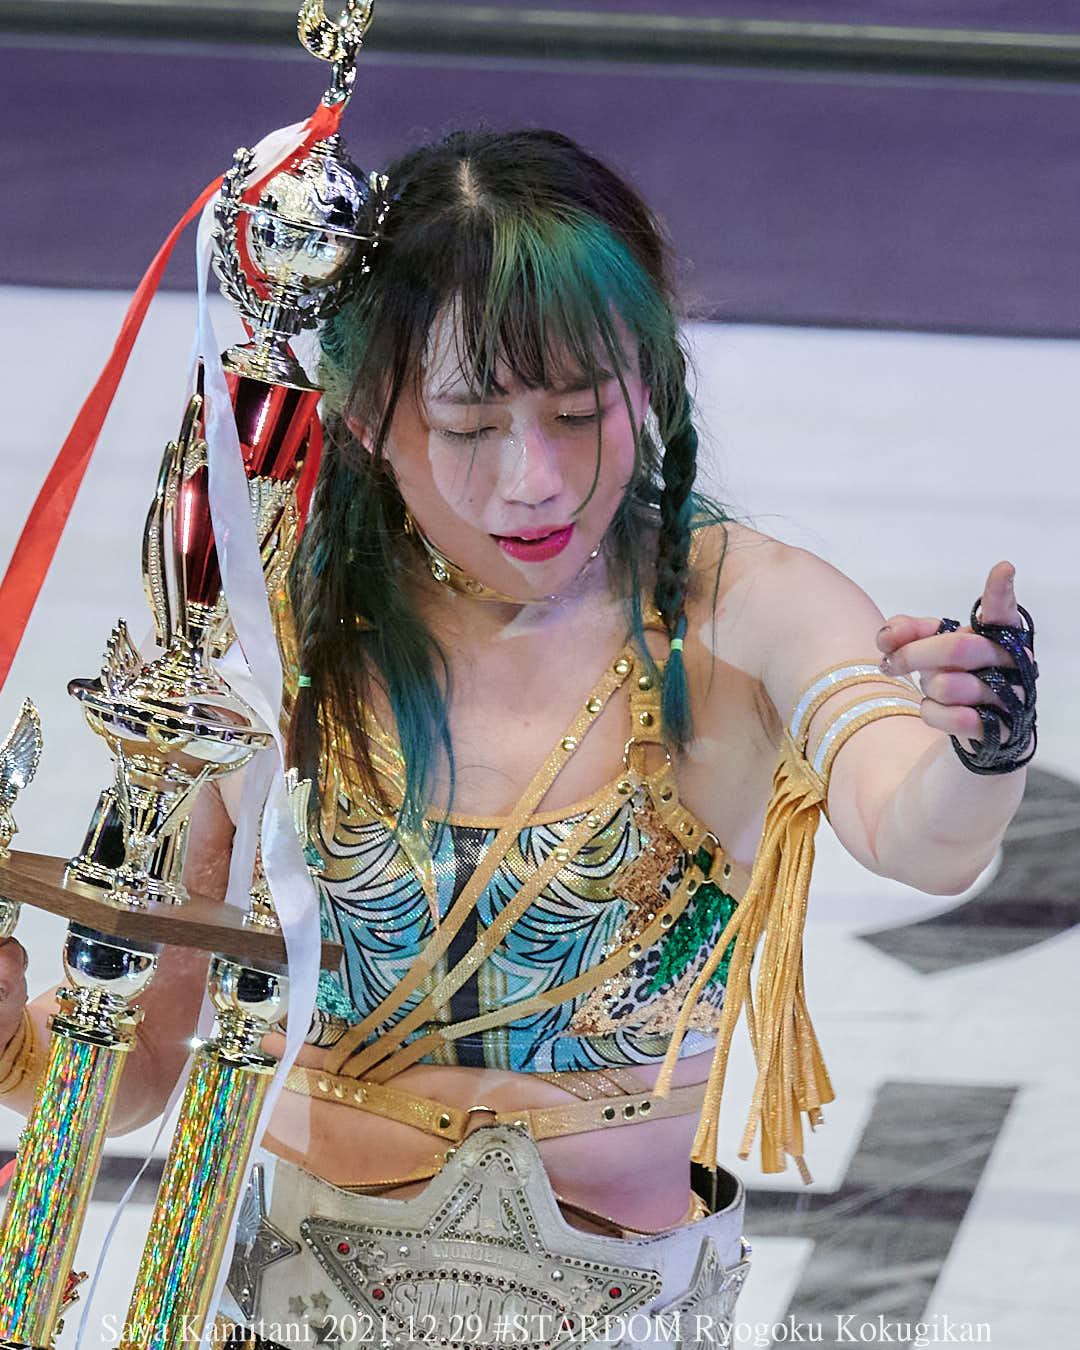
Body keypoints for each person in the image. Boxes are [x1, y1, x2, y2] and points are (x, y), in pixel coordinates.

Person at [0, 128, 1035, 1345]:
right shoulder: (273, 635)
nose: (535, 480)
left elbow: (920, 835)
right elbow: (138, 1062)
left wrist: (982, 750)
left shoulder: (747, 608)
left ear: (651, 386)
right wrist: (13, 1042)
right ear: (366, 417)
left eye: (580, 413)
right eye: (470, 427)